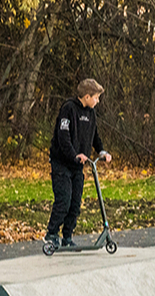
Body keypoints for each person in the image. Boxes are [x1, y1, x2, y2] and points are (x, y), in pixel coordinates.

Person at [47, 79, 112, 249]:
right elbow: (63, 137)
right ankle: (52, 234)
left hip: (78, 166)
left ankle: (67, 236)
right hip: (62, 163)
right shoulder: (68, 109)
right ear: (87, 96)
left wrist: (102, 151)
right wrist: (74, 155)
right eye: (96, 98)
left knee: (75, 204)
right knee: (64, 200)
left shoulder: (91, 113)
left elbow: (94, 136)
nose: (97, 101)